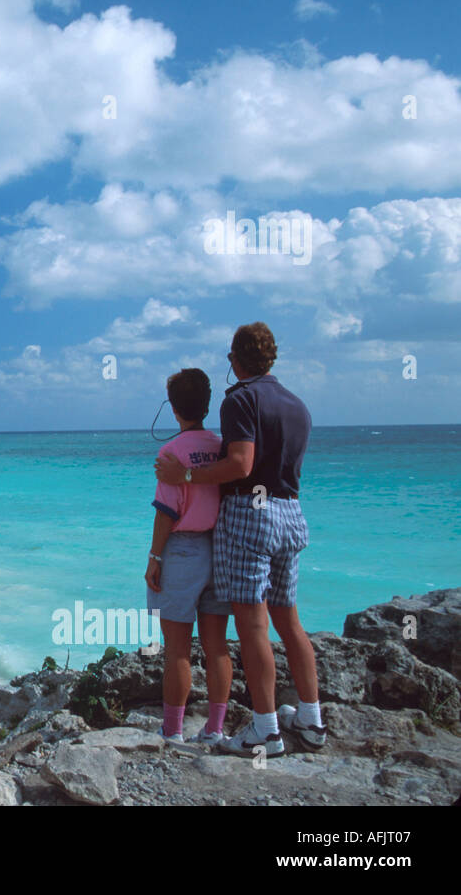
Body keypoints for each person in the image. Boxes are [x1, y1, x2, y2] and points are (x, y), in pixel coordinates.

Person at [156, 322, 323, 758]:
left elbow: (241, 463)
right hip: (291, 511)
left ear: (236, 359)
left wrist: (186, 475)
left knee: (252, 625)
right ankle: (312, 718)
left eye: (230, 357)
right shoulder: (298, 405)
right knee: (290, 621)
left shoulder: (241, 399)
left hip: (252, 515)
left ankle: (266, 730)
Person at [145, 369, 233, 744]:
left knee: (178, 649)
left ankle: (174, 731)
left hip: (182, 551)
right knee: (217, 645)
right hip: (220, 547)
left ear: (174, 408)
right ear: (207, 404)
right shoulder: (222, 448)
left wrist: (155, 558)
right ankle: (214, 728)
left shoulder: (171, 454)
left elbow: (166, 512)